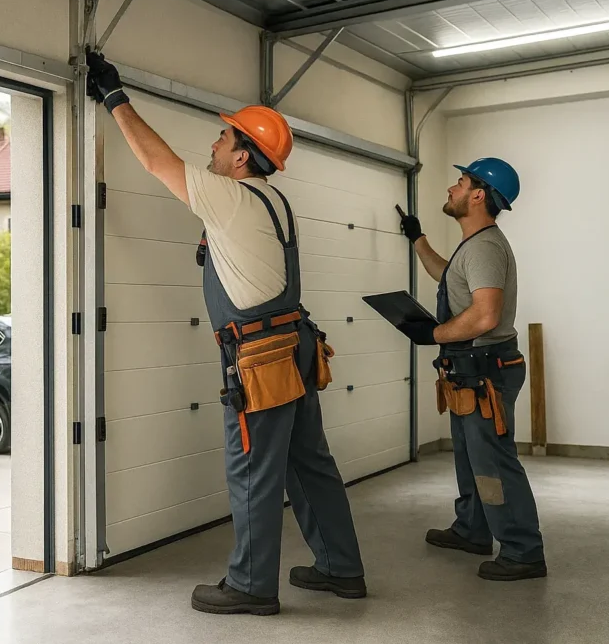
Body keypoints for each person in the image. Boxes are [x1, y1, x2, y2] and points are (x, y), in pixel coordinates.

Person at [84, 50, 366, 616]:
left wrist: (115, 98)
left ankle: (251, 585)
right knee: (309, 462)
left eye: (221, 139)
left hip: (260, 357)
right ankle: (342, 568)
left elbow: (156, 161)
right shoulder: (273, 199)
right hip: (295, 346)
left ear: (242, 158)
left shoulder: (231, 197)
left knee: (254, 469)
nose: (211, 146)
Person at [398, 158, 547, 581]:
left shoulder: (483, 247)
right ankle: (473, 529)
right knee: (469, 457)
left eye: (460, 182)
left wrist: (436, 332)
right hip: (472, 369)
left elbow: (484, 315)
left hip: (486, 369)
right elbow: (449, 278)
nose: (452, 188)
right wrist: (417, 238)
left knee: (493, 462)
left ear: (478, 194)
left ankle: (523, 551)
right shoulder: (474, 246)